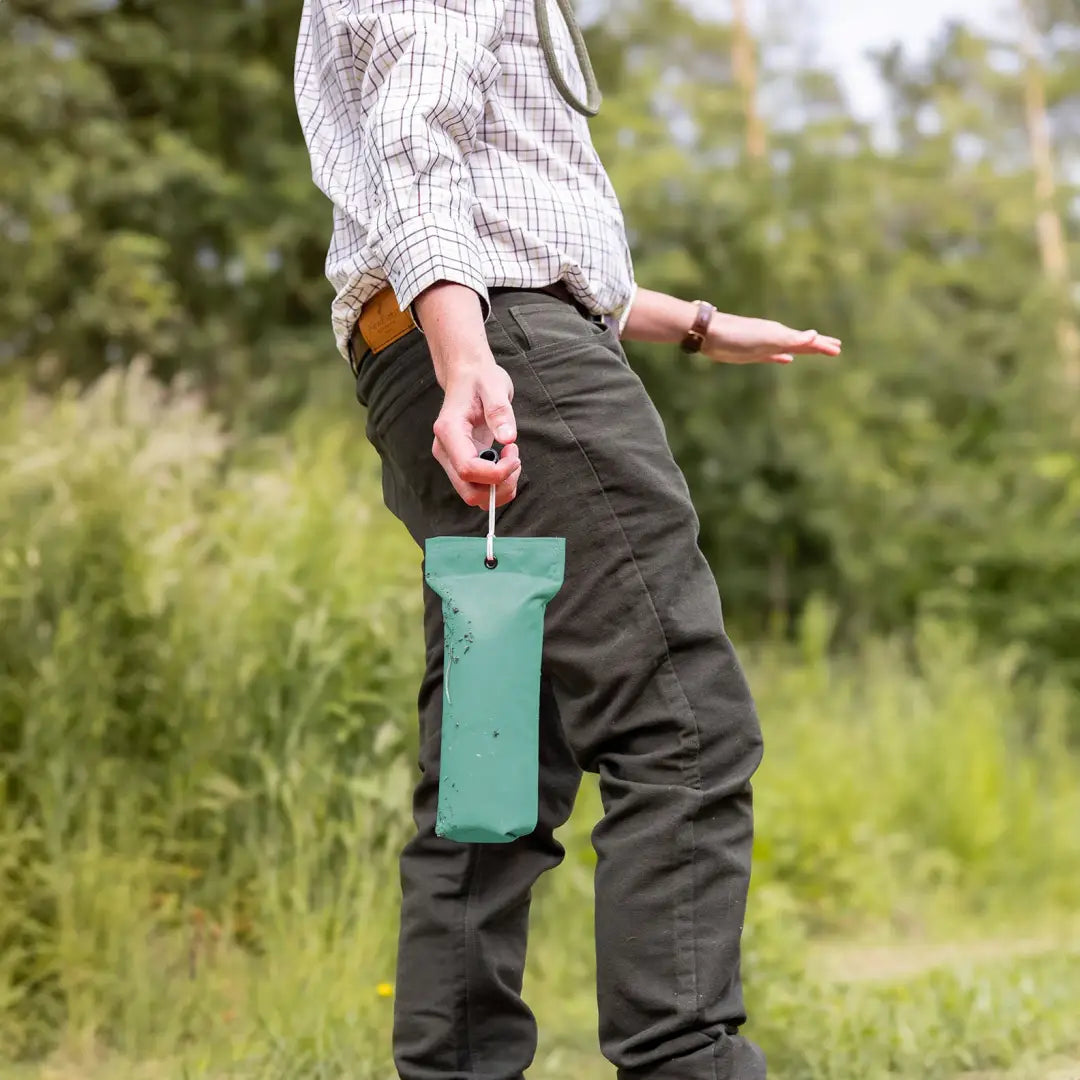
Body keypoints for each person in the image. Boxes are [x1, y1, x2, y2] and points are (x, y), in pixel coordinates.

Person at [294, 3, 841, 1078]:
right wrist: (469, 358)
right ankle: (685, 1059)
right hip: (497, 350)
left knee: (496, 767)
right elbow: (419, 136)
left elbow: (501, 197)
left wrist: (689, 320)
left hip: (442, 346)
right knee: (680, 714)